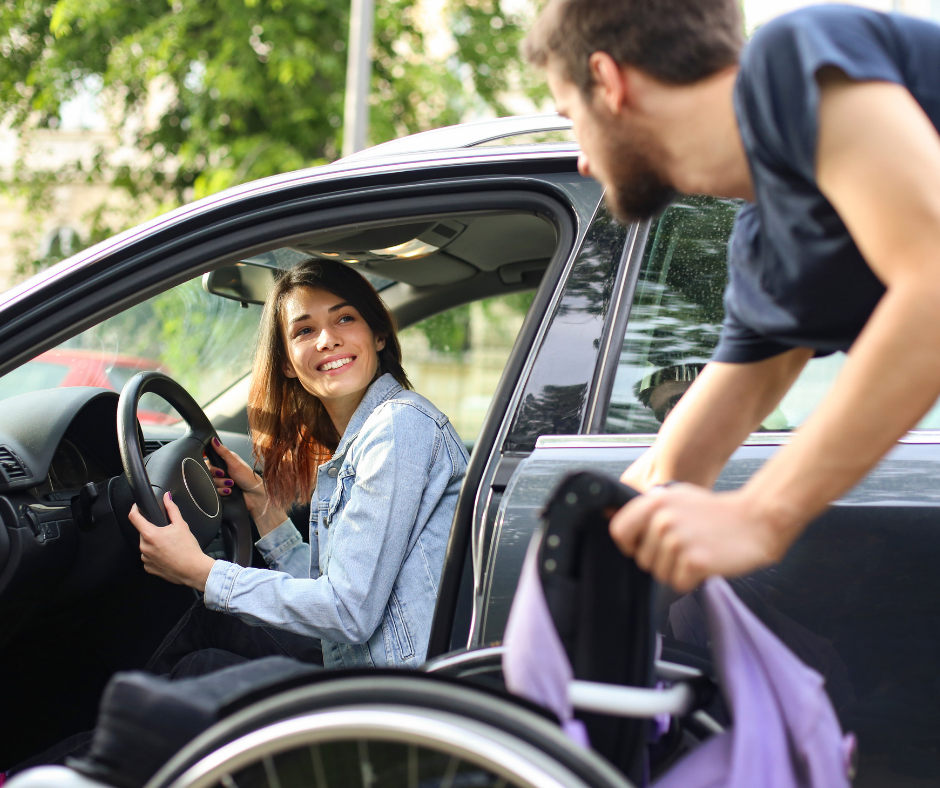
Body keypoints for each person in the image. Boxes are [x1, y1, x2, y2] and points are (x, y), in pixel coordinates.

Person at [523, 1, 940, 592]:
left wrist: (762, 514)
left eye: (572, 117)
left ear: (609, 81)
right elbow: (678, 461)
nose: (583, 158)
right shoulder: (768, 248)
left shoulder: (793, 55)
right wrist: (569, 582)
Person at [130, 259, 469, 673]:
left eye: (345, 318)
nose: (328, 339)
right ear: (288, 363)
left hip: (398, 692)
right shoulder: (371, 435)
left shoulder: (398, 427)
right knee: (211, 629)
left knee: (200, 668)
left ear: (378, 335)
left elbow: (347, 611)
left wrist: (201, 572)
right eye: (305, 330)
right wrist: (263, 507)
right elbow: (338, 591)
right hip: (369, 661)